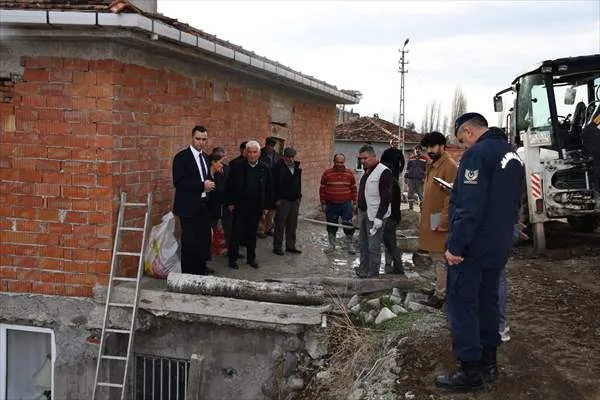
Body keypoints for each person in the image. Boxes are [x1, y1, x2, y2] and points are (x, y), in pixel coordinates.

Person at [436, 113, 524, 391]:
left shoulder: (478, 155)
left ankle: (470, 371)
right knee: (488, 303)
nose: (463, 147)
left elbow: (470, 207)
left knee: (462, 305)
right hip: (498, 243)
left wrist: (455, 246)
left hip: (473, 245)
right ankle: (489, 364)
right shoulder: (512, 155)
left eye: (462, 141)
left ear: (469, 131)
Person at [417, 132, 457, 309]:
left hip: (439, 218)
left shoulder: (448, 166)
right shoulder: (434, 164)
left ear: (442, 146)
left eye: (433, 146)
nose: (430, 150)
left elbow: (451, 197)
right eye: (428, 147)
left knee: (440, 258)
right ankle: (439, 289)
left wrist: (444, 220)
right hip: (432, 216)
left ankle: (440, 295)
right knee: (435, 256)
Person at [172, 125, 215, 275]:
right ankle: (188, 275)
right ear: (192, 138)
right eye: (198, 139)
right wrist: (202, 185)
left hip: (204, 204)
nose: (201, 142)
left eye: (204, 139)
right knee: (189, 242)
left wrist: (210, 182)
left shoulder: (205, 157)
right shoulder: (181, 157)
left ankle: (200, 270)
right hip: (187, 206)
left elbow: (206, 178)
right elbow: (178, 182)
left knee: (204, 240)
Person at [226, 140, 274, 269]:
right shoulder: (236, 165)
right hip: (240, 205)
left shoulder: (265, 168)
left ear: (259, 153)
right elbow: (229, 185)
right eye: (250, 152)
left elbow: (268, 188)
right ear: (246, 153)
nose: (252, 155)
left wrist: (267, 206)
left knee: (252, 234)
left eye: (255, 152)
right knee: (236, 233)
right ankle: (232, 259)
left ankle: (251, 258)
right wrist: (230, 202)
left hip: (256, 205)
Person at [354, 145, 393, 278]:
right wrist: (356, 212)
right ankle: (363, 269)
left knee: (373, 247)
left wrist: (379, 217)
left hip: (375, 215)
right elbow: (362, 193)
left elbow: (386, 196)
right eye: (361, 159)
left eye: (365, 158)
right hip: (364, 212)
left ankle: (373, 274)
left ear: (373, 156)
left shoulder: (384, 172)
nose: (363, 161)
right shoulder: (366, 172)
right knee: (363, 244)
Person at [319, 154, 357, 254]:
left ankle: (350, 245)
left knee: (348, 224)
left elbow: (353, 188)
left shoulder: (349, 174)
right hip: (331, 205)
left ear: (344, 162)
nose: (339, 164)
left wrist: (354, 202)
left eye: (341, 162)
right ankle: (331, 246)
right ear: (334, 162)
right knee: (331, 225)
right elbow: (322, 189)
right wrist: (323, 203)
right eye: (337, 162)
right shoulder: (327, 173)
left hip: (346, 204)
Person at [272, 147, 302, 255]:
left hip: (294, 200)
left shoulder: (297, 168)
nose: (290, 159)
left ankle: (290, 246)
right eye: (288, 157)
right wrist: (276, 199)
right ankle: (277, 247)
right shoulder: (277, 168)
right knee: (280, 224)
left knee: (292, 224)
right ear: (284, 156)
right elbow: (273, 185)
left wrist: (299, 197)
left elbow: (298, 184)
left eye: (292, 157)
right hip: (283, 200)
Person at [207, 149, 230, 256]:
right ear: (213, 162)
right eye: (220, 162)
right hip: (208, 210)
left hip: (216, 208)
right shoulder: (207, 175)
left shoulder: (219, 174)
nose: (222, 165)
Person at [383, 177, 404, 274]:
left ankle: (398, 267)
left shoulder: (392, 184)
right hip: (394, 217)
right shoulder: (394, 183)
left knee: (391, 243)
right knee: (389, 243)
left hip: (391, 217)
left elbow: (387, 200)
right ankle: (395, 265)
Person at [405, 145, 427, 210]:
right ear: (414, 151)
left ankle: (421, 209)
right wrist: (406, 177)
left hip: (420, 180)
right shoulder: (411, 158)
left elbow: (426, 170)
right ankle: (411, 208)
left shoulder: (424, 159)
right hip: (411, 179)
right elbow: (407, 168)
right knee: (409, 195)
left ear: (421, 150)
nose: (417, 150)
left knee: (420, 195)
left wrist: (424, 178)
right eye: (416, 149)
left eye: (419, 149)